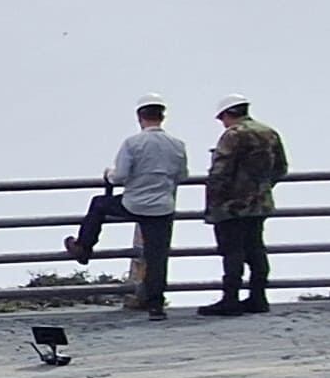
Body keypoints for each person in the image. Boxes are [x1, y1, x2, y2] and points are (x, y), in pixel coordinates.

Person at [101, 100, 191, 317]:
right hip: (163, 206)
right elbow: (182, 175)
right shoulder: (177, 144)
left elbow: (120, 176)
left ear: (140, 118)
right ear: (162, 117)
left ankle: (84, 246)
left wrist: (108, 175)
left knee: (98, 205)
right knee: (157, 257)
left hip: (134, 203)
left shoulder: (132, 143)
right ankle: (155, 305)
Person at [202, 96, 289, 314]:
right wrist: (262, 188)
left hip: (232, 205)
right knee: (256, 249)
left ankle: (230, 299)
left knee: (232, 252)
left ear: (227, 114)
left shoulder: (233, 135)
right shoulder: (269, 132)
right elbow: (281, 168)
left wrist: (214, 202)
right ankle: (258, 298)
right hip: (260, 203)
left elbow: (220, 172)